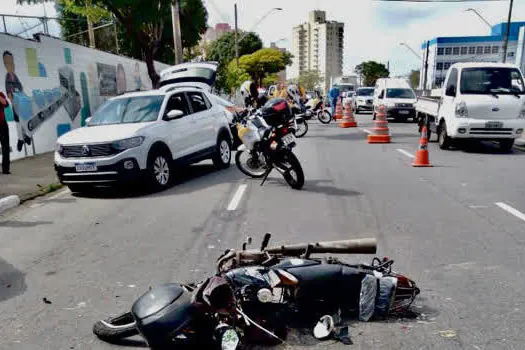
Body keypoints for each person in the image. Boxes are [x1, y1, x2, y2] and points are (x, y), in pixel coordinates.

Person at [0, 91, 10, 174]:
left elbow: (6, 104)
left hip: (2, 124)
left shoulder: (0, 94)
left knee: (5, 146)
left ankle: (5, 169)